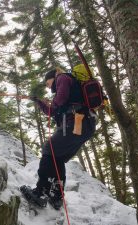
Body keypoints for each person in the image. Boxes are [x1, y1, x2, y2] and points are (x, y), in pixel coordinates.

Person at [20, 68, 96, 210]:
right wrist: (38, 101)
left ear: (52, 78)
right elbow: (52, 111)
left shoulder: (62, 78)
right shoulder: (66, 83)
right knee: (58, 157)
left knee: (49, 149)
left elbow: (59, 102)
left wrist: (51, 101)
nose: (48, 87)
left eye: (48, 83)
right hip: (84, 125)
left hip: (76, 122)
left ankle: (41, 192)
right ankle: (56, 196)